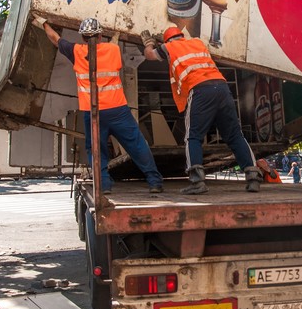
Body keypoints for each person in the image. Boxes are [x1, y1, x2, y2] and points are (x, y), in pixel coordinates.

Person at [36, 16, 164, 194]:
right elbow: (112, 46)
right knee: (136, 144)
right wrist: (117, 32)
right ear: (100, 35)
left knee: (96, 149)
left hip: (93, 111)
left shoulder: (77, 51)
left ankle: (104, 186)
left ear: (82, 37)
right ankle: (154, 181)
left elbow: (55, 39)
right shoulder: (113, 49)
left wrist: (43, 22)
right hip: (117, 109)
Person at [141, 24, 259, 194]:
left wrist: (148, 43)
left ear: (167, 40)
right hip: (222, 88)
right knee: (234, 135)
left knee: (193, 137)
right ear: (181, 36)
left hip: (200, 90)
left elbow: (150, 55)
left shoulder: (168, 47)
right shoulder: (197, 43)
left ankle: (197, 182)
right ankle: (253, 177)